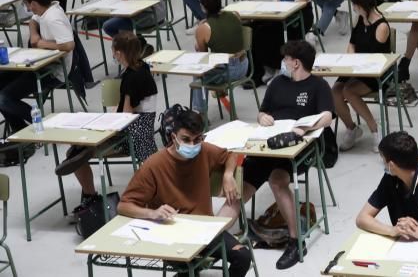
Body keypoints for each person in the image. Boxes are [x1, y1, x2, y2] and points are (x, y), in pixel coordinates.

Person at [117, 108, 250, 277]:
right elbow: (124, 205)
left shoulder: (205, 151)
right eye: (186, 139)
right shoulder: (154, 165)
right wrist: (152, 213)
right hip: (171, 232)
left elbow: (229, 155)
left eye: (198, 139)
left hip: (204, 229)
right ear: (173, 137)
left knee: (243, 256)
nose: (193, 145)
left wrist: (228, 174)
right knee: (188, 267)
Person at [238, 40, 332, 269]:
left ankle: (295, 241)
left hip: (298, 148)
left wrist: (305, 128)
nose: (283, 63)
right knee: (238, 189)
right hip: (269, 144)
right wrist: (262, 118)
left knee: (277, 180)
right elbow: (263, 111)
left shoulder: (318, 86)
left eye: (286, 59)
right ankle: (212, 240)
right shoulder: (277, 83)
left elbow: (328, 116)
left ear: (295, 63)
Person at [57, 32, 158, 216]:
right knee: (78, 148)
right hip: (143, 129)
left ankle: (88, 190)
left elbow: (126, 115)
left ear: (118, 53)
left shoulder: (129, 78)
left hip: (131, 136)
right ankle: (78, 155)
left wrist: (104, 125)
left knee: (76, 149)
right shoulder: (142, 68)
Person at [6, 0, 75, 138]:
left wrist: (42, 43)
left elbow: (69, 44)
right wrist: (34, 35)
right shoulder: (45, 10)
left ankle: (40, 124)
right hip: (40, 63)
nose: (27, 9)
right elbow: (33, 20)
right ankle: (19, 129)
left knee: (4, 98)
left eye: (26, 4)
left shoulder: (53, 18)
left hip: (54, 71)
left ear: (34, 3)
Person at [333, 0, 390, 152]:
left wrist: (357, 64)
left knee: (349, 91)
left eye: (356, 5)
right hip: (355, 68)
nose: (354, 8)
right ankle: (352, 128)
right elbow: (352, 44)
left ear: (363, 4)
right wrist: (349, 60)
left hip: (375, 73)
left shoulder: (381, 26)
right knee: (335, 91)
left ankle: (375, 129)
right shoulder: (359, 19)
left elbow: (375, 56)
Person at [190, 0, 246, 114]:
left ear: (203, 7)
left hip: (228, 71)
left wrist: (197, 45)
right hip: (244, 65)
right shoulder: (235, 15)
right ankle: (218, 92)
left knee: (198, 72)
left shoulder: (203, 29)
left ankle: (199, 112)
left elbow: (204, 58)